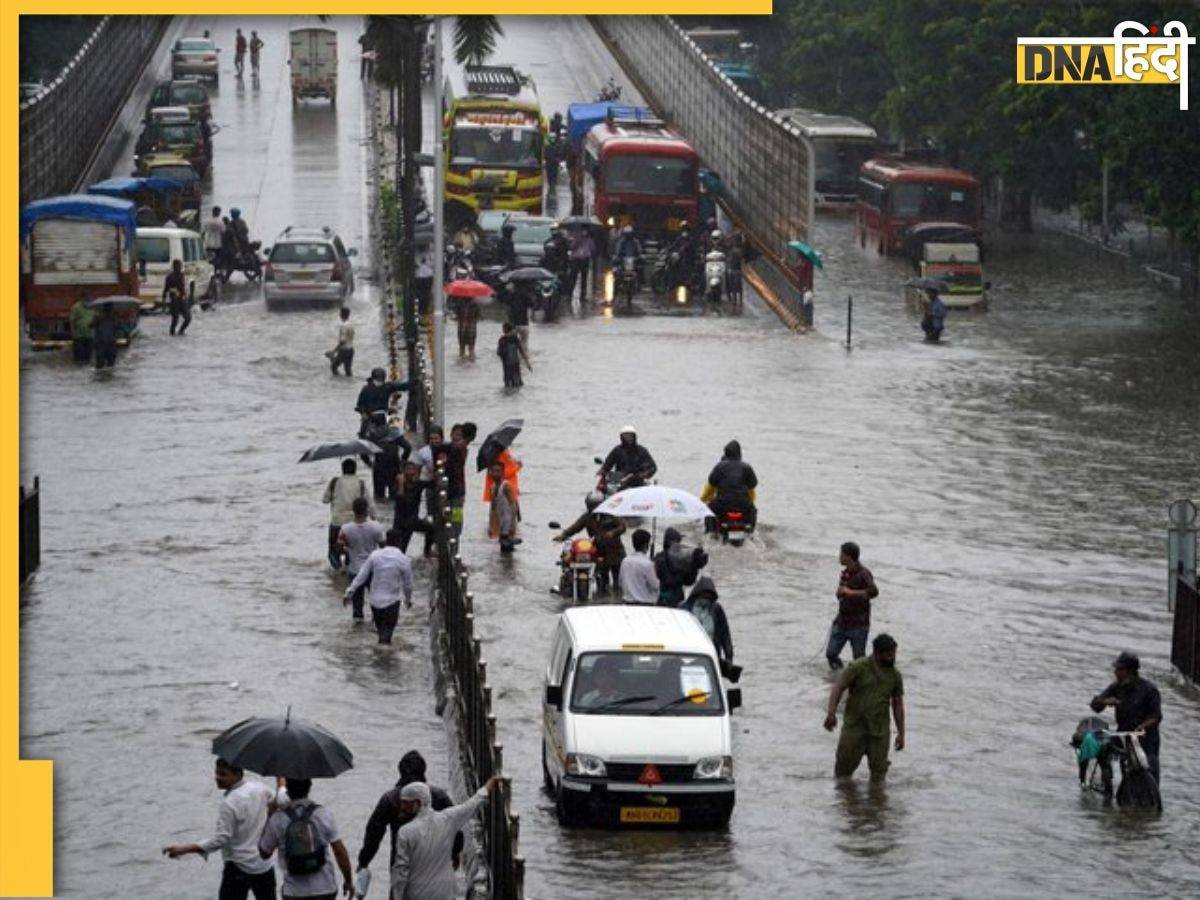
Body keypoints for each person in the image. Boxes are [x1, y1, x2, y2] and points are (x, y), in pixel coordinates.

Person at [162, 759, 285, 900]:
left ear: (238, 774)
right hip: (263, 865)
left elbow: (221, 839)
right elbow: (278, 803)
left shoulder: (230, 802)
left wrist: (184, 849)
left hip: (238, 866)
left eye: (223, 774)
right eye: (216, 773)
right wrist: (280, 781)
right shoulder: (260, 788)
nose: (217, 778)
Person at [390, 777, 501, 900]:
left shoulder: (405, 832)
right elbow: (471, 805)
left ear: (418, 803)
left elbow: (401, 870)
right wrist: (488, 786)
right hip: (445, 894)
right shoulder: (447, 819)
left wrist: (396, 896)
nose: (402, 807)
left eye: (406, 803)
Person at [358, 751, 462, 877]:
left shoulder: (390, 799)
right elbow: (455, 828)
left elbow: (373, 834)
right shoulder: (438, 797)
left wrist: (364, 862)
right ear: (423, 771)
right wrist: (454, 853)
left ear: (400, 771)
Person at [824, 633, 905, 782]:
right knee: (842, 776)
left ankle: (876, 803)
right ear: (877, 653)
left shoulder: (895, 676)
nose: (892, 657)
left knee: (879, 777)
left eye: (894, 653)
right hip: (854, 728)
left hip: (880, 732)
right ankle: (847, 802)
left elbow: (898, 704)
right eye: (888, 654)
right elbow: (838, 687)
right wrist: (831, 713)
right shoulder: (858, 667)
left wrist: (901, 733)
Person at [257, 778, 354, 900]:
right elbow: (340, 852)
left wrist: (270, 814)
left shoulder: (278, 819)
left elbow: (264, 853)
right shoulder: (322, 814)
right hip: (324, 889)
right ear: (309, 787)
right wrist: (348, 881)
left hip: (294, 892)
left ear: (287, 790)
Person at [1090, 651, 1162, 785]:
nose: (1116, 673)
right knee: (1098, 742)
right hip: (1123, 736)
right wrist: (1105, 701)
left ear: (1130, 672)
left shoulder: (1150, 690)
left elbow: (1156, 717)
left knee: (1151, 777)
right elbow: (1095, 706)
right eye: (1116, 669)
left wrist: (1142, 727)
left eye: (1119, 670)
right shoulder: (1116, 687)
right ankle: (1107, 780)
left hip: (1146, 740)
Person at [345, 529, 414, 643]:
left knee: (381, 632)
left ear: (386, 541)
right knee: (386, 636)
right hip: (392, 603)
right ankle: (384, 656)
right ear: (400, 542)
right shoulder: (403, 559)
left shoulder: (375, 555)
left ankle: (379, 655)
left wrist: (349, 592)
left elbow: (361, 575)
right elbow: (408, 585)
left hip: (375, 603)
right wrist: (408, 600)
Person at [553, 493, 626, 595]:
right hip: (599, 552)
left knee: (617, 581)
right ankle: (602, 599)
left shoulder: (611, 515)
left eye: (595, 505)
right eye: (591, 505)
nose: (593, 508)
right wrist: (563, 535)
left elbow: (622, 527)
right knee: (602, 580)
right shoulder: (587, 517)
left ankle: (617, 601)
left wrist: (613, 532)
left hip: (615, 551)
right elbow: (575, 527)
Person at [826, 542, 879, 670]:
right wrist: (839, 593)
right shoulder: (845, 573)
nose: (839, 557)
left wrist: (851, 593)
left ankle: (860, 682)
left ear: (849, 557)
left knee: (859, 659)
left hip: (859, 624)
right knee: (831, 654)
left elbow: (874, 592)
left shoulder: (864, 573)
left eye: (841, 554)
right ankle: (840, 677)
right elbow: (841, 593)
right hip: (842, 621)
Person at [338, 497, 385, 621]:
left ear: (353, 510)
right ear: (367, 510)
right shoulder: (376, 527)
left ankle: (358, 631)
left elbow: (339, 548)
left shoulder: (345, 529)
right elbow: (383, 547)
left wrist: (347, 552)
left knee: (357, 609)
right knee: (377, 602)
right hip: (372, 570)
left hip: (355, 571)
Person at [323, 459, 372, 569]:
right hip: (353, 523)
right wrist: (374, 517)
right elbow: (369, 502)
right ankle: (348, 569)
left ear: (342, 469)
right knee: (353, 549)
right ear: (355, 470)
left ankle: (337, 571)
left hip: (337, 521)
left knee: (332, 549)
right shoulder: (360, 483)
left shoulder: (334, 482)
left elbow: (325, 500)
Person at [701, 440, 758, 532]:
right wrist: (749, 503)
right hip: (743, 505)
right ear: (740, 453)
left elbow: (710, 487)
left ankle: (710, 533)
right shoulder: (747, 467)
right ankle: (751, 532)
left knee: (708, 510)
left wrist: (702, 501)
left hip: (722, 505)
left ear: (726, 453)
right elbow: (752, 490)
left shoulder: (719, 467)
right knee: (753, 510)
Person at [679, 576, 734, 666]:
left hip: (711, 655)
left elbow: (725, 634)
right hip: (688, 654)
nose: (706, 600)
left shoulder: (716, 609)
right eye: (703, 597)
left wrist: (729, 657)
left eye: (709, 598)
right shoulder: (683, 609)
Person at [654, 527, 707, 606]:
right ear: (670, 543)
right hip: (664, 600)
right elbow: (668, 580)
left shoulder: (682, 559)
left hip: (678, 599)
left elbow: (689, 581)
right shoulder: (660, 559)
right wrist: (681, 574)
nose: (680, 545)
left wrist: (694, 566)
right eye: (678, 542)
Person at [393, 461, 434, 557]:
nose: (411, 472)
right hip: (400, 522)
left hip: (413, 520)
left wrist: (433, 472)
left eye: (413, 470)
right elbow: (400, 500)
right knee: (400, 550)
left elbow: (431, 484)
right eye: (408, 469)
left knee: (431, 528)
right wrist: (401, 485)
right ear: (403, 471)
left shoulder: (417, 484)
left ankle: (427, 551)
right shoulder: (397, 483)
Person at [599, 425, 657, 491]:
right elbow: (608, 464)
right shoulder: (617, 450)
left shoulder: (641, 450)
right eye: (626, 436)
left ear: (635, 436)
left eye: (630, 436)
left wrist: (642, 475)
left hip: (638, 482)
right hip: (620, 481)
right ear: (621, 437)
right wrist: (603, 470)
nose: (629, 438)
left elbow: (653, 467)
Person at [355, 368, 411, 436]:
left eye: (381, 380)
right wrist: (363, 413)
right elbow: (359, 404)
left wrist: (414, 382)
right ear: (373, 379)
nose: (379, 382)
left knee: (387, 432)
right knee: (363, 432)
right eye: (377, 379)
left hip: (382, 415)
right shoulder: (366, 389)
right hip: (369, 416)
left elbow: (402, 386)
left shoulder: (387, 387)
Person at [444, 423, 475, 540]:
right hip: (455, 490)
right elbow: (455, 472)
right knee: (454, 519)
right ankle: (452, 540)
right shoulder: (458, 449)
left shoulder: (460, 448)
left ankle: (454, 539)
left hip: (457, 490)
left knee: (456, 518)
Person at [487, 460, 520, 553]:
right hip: (501, 523)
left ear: (502, 473)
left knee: (507, 551)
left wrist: (512, 526)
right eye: (493, 471)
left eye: (498, 471)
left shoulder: (506, 486)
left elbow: (513, 506)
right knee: (503, 551)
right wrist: (491, 526)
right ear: (489, 472)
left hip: (508, 523)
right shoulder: (493, 487)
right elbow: (492, 508)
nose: (495, 473)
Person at [619, 528, 659, 605]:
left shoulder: (625, 561)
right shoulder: (648, 564)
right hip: (645, 605)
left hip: (627, 603)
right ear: (646, 545)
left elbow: (621, 583)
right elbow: (656, 586)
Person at [497, 322, 530, 388]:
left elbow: (499, 353)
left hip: (507, 364)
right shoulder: (515, 338)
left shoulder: (502, 340)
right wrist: (527, 364)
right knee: (518, 383)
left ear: (505, 329)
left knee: (508, 384)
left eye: (503, 328)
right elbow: (521, 351)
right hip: (515, 363)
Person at [568, 228, 595, 303]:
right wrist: (576, 242)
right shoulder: (576, 238)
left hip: (585, 259)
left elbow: (593, 249)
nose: (584, 232)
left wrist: (589, 252)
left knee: (584, 278)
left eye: (585, 231)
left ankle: (583, 295)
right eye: (582, 230)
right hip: (576, 259)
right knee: (573, 277)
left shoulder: (589, 240)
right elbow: (571, 247)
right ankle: (569, 294)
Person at [164, 259, 191, 336]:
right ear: (174, 267)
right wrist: (164, 301)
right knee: (175, 320)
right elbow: (166, 289)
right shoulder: (170, 277)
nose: (179, 268)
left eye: (180, 266)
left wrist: (185, 295)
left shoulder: (181, 275)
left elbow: (183, 287)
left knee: (187, 318)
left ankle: (180, 332)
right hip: (175, 301)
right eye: (178, 266)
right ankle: (173, 333)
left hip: (181, 300)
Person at [505, 283, 534, 352]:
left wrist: (509, 292)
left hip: (513, 323)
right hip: (524, 323)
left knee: (511, 343)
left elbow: (506, 303)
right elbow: (532, 304)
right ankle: (523, 357)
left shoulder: (511, 295)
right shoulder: (526, 295)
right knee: (524, 342)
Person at [68, 293, 95, 363]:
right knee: (79, 353)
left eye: (89, 297)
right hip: (79, 334)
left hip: (90, 334)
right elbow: (72, 320)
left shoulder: (94, 306)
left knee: (88, 352)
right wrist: (73, 331)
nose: (89, 299)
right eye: (87, 298)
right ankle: (79, 365)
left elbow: (97, 318)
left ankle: (85, 364)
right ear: (82, 298)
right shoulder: (76, 307)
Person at [329, 307, 354, 376]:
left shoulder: (344, 326)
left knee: (333, 367)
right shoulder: (350, 324)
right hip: (351, 350)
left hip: (344, 351)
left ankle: (338, 383)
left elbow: (343, 341)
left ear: (341, 314)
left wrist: (334, 351)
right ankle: (348, 383)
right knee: (348, 370)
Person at [92, 304, 119, 369]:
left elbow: (90, 325)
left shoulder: (98, 317)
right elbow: (117, 328)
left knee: (100, 364)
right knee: (111, 364)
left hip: (101, 342)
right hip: (110, 342)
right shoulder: (114, 317)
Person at [454, 295, 480, 361]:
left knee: (462, 347)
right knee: (471, 347)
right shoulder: (475, 304)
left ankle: (461, 361)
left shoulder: (459, 303)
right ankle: (472, 361)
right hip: (471, 328)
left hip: (462, 327)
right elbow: (477, 316)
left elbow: (457, 315)